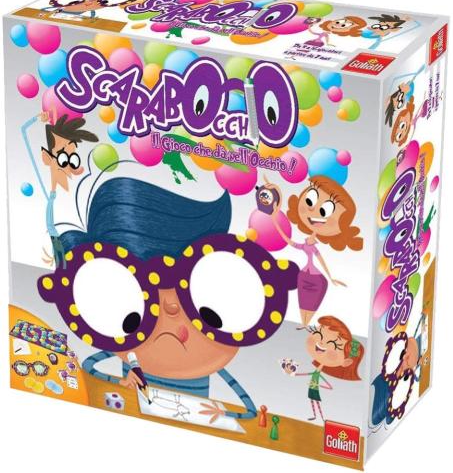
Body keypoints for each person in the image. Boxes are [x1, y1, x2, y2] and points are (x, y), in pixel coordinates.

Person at [39, 178, 299, 422]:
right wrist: (122, 381)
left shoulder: (199, 358)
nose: (171, 308)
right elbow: (88, 367)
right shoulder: (130, 353)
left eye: (210, 309)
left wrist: (223, 414)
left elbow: (250, 411)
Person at [270, 176, 363, 329]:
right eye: (310, 201)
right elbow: (290, 242)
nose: (314, 211)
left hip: (315, 278)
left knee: (311, 301)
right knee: (303, 299)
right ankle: (304, 323)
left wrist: (331, 277)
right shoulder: (305, 245)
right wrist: (275, 220)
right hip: (304, 275)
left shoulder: (313, 248)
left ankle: (306, 323)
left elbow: (321, 261)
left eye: (325, 210)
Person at [21, 112, 98, 269]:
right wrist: (37, 118)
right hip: (58, 241)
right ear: (47, 157)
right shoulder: (45, 182)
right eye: (64, 158)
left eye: (73, 159)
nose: (69, 165)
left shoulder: (74, 189)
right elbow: (23, 130)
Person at [283, 315, 364, 422]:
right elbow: (307, 374)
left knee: (317, 402)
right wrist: (293, 374)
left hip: (315, 388)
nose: (320, 343)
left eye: (333, 344)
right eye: (318, 334)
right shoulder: (316, 370)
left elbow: (329, 386)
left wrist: (318, 385)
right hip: (312, 388)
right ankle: (315, 416)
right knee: (312, 401)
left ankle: (321, 418)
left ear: (346, 362)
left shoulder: (321, 375)